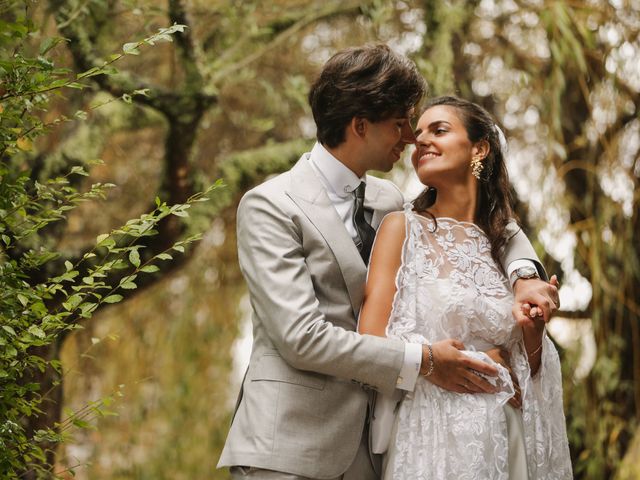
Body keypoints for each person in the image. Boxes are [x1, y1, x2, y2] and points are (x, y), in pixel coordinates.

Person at [218, 45, 559, 480]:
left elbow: (486, 227)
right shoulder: (270, 206)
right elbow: (300, 337)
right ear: (360, 125)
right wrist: (427, 361)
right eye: (400, 124)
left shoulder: (390, 203)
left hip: (377, 450)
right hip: (288, 445)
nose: (410, 139)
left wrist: (525, 275)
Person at [358, 96, 572, 479]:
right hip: (433, 437)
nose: (420, 140)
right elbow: (370, 338)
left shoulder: (505, 245)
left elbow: (528, 369)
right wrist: (430, 361)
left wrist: (532, 332)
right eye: (418, 134)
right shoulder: (401, 229)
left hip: (505, 436)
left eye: (438, 130)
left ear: (479, 148)